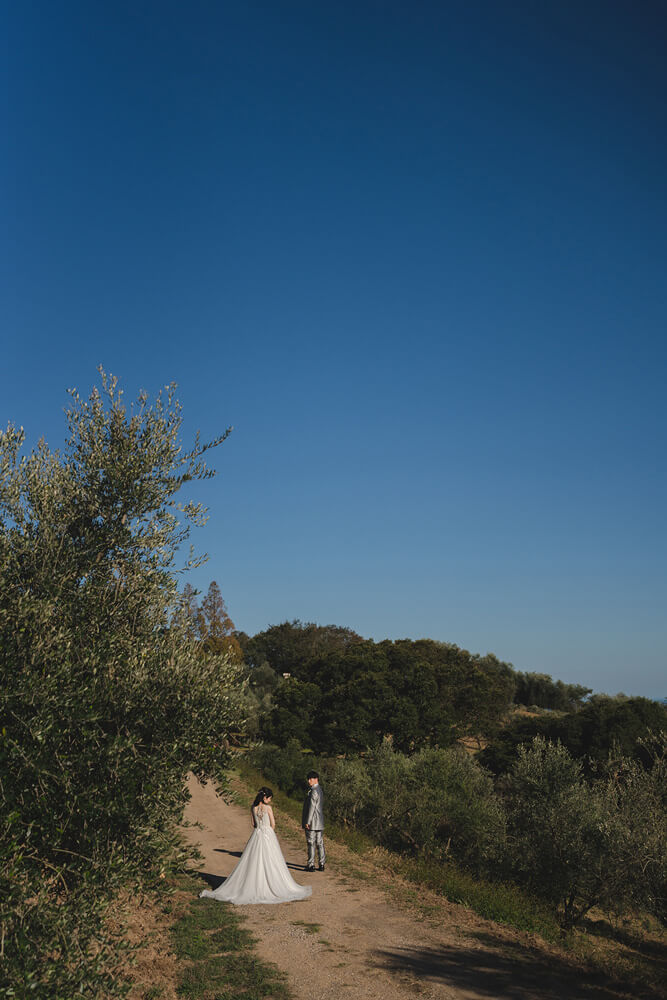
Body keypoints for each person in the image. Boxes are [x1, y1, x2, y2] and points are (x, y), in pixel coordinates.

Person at [199, 787, 312, 905]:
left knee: (253, 860)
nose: (270, 801)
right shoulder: (268, 808)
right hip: (267, 835)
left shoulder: (253, 807)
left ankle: (254, 883)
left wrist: (260, 827)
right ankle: (270, 883)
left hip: (257, 834)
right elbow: (273, 824)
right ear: (265, 797)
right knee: (271, 861)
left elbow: (253, 823)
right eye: (269, 798)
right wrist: (268, 832)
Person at [301, 771, 325, 872]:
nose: (308, 781)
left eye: (310, 779)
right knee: (320, 842)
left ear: (316, 779)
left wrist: (308, 821)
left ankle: (311, 864)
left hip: (313, 820)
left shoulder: (314, 791)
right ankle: (322, 863)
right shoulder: (320, 789)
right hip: (320, 820)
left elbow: (311, 807)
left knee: (311, 842)